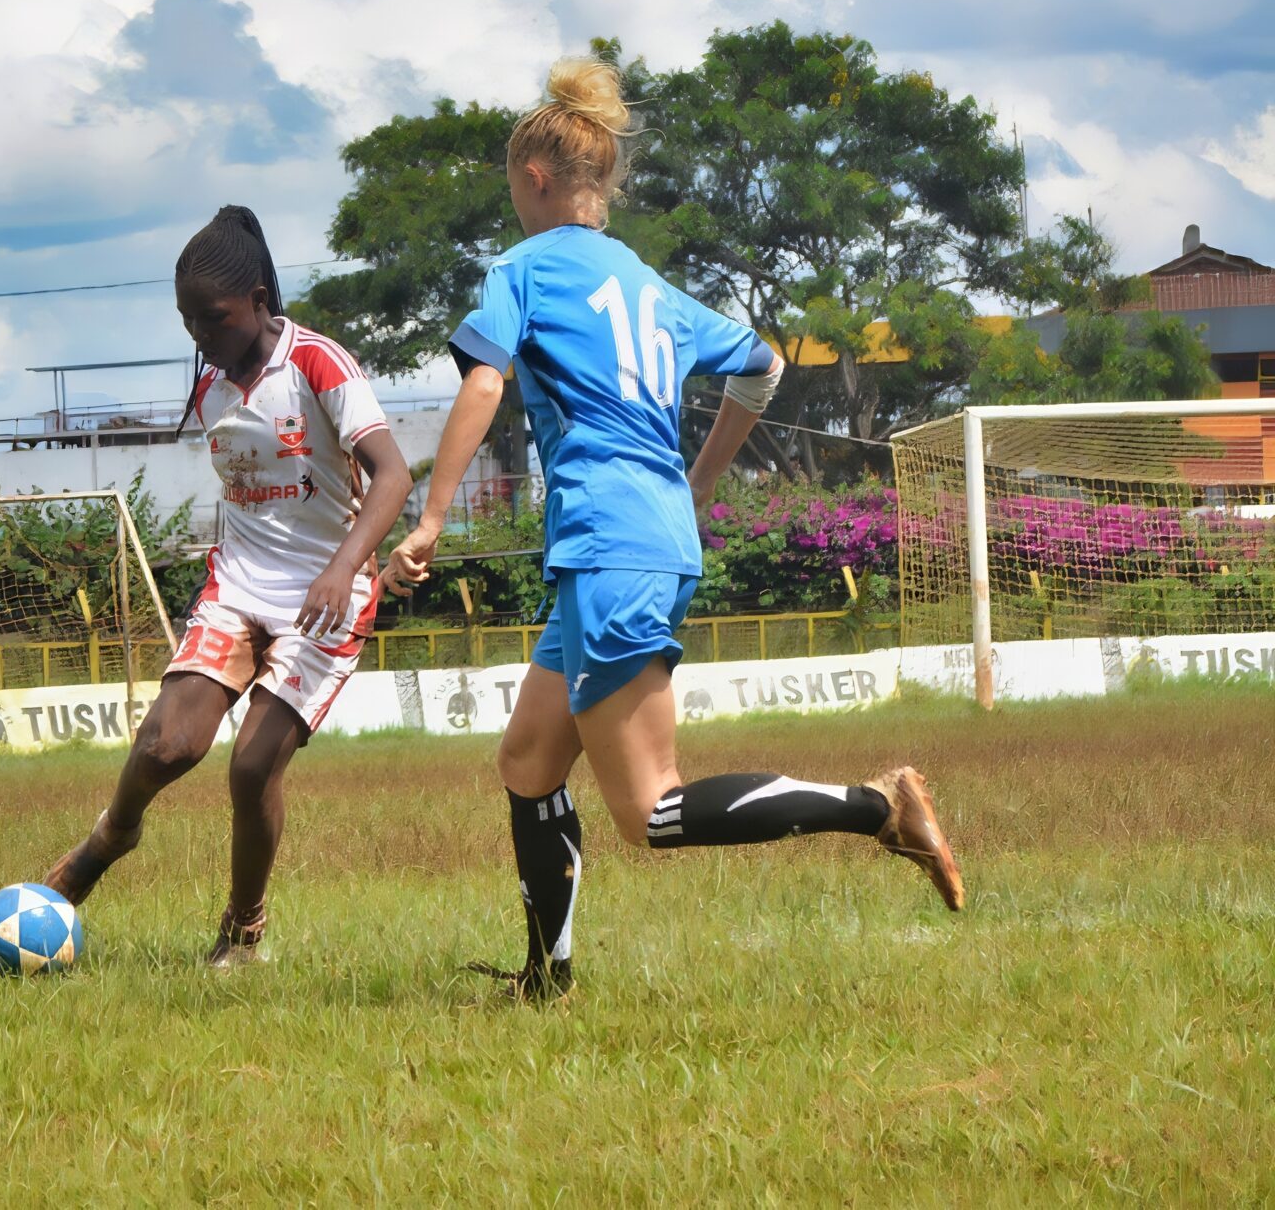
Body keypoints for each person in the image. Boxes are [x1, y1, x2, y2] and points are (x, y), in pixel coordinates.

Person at [385, 58, 964, 1001]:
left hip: (611, 544)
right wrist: (695, 481)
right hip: (631, 539)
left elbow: (484, 382)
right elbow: (763, 368)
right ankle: (547, 978)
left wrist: (434, 516)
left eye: (511, 187)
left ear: (535, 179)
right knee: (529, 761)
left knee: (650, 811)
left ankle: (878, 807)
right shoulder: (651, 285)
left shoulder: (522, 268)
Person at [45, 206, 412, 966]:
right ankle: (113, 832)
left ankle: (243, 930)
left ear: (255, 297)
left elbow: (394, 473)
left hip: (326, 595)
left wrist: (345, 563)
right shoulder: (210, 383)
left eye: (211, 317)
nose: (198, 336)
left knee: (252, 766)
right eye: (185, 320)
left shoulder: (318, 363)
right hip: (238, 584)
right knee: (168, 744)